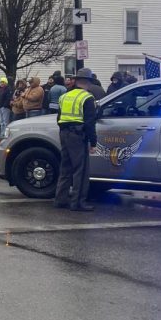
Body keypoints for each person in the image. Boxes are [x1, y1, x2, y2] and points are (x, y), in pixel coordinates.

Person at [53, 68, 99, 212]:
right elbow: (90, 122)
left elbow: (58, 118)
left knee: (65, 168)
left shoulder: (65, 96)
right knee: (81, 170)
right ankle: (78, 202)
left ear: (76, 80)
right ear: (88, 82)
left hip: (64, 133)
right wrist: (93, 142)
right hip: (78, 135)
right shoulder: (87, 97)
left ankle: (60, 199)